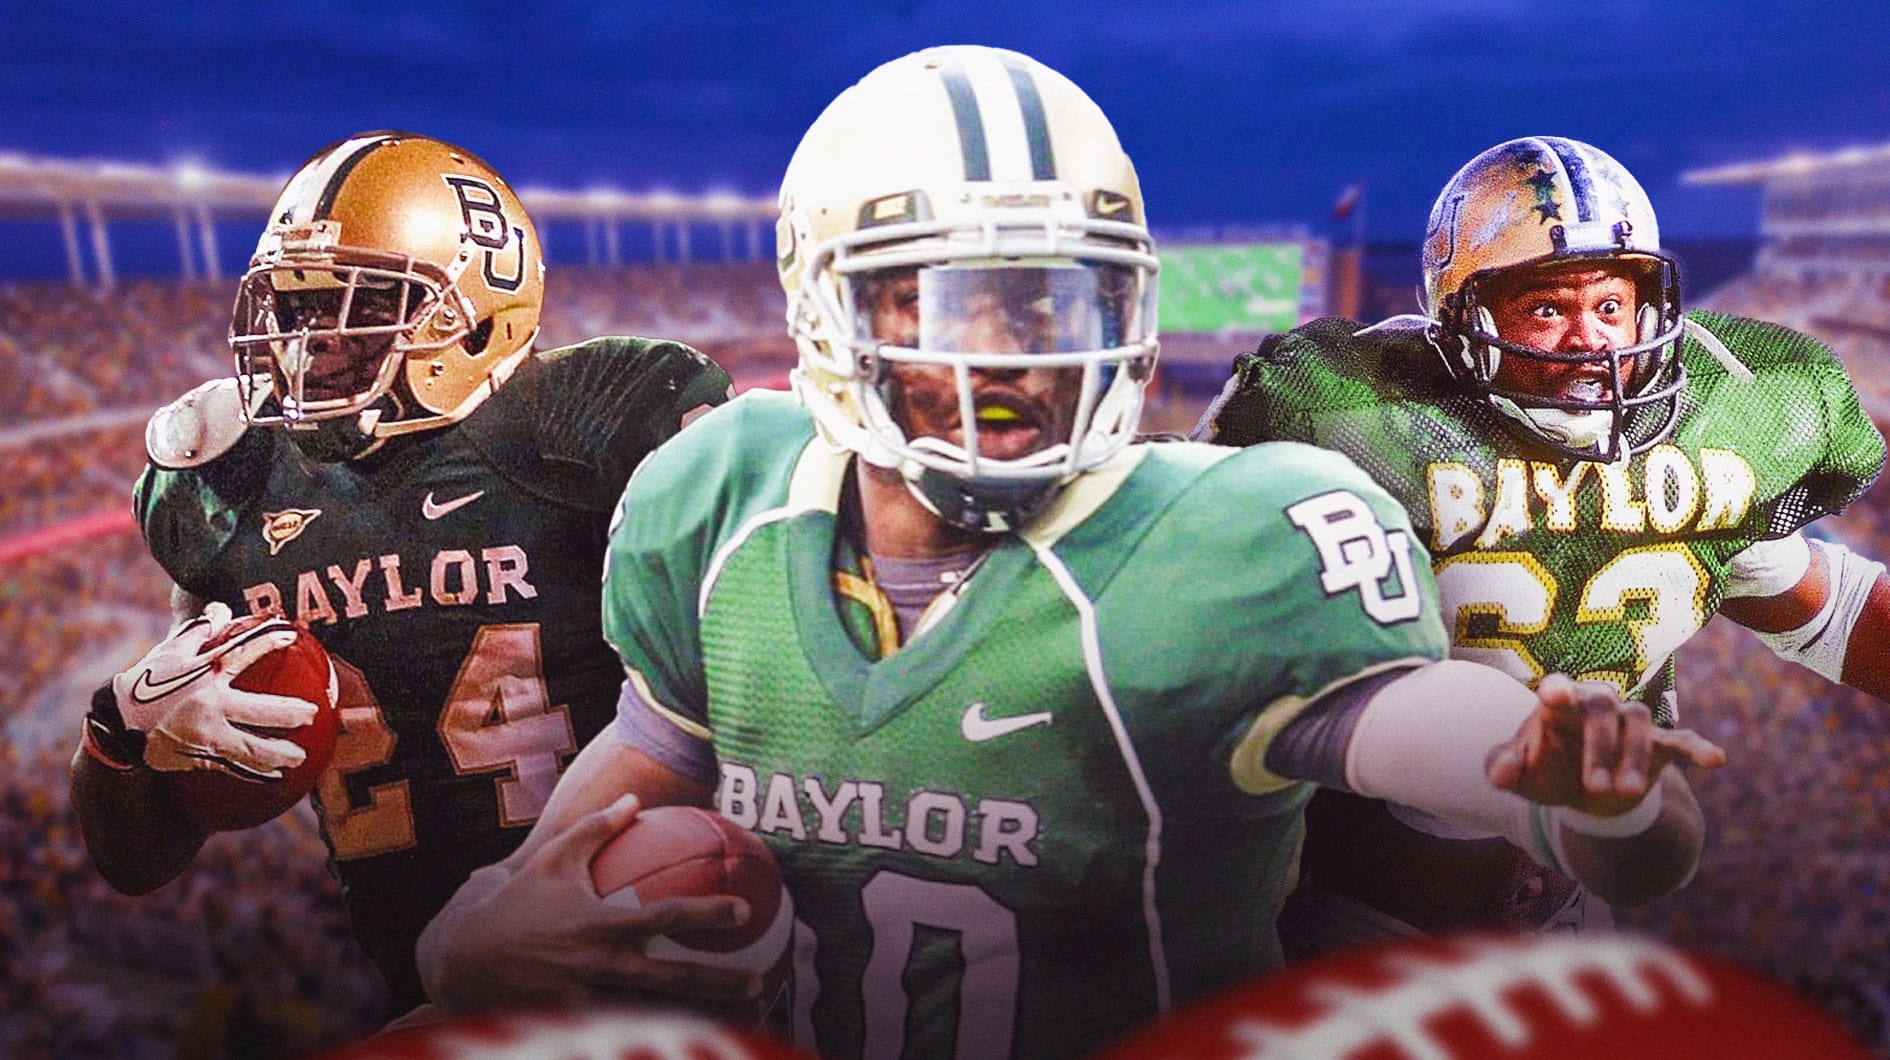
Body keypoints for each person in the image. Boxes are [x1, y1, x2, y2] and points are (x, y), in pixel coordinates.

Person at [415, 53, 1725, 1059]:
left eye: (1059, 295)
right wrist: (465, 936)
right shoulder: (723, 500)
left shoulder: (1231, 538)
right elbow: (630, 783)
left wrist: (1600, 801)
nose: (1018, 350)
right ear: (825, 310)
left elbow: (1493, 758)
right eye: (944, 298)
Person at [68, 130, 733, 1021]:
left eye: (362, 303)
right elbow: (136, 859)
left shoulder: (600, 423)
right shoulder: (225, 488)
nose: (313, 345)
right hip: (434, 998)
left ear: (472, 307)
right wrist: (121, 726)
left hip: (663, 948)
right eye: (297, 309)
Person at [1193, 135, 1888, 951]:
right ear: (1464, 316)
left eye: (1611, 305)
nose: (1593, 340)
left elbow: (1831, 608)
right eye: (1550, 308)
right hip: (1364, 931)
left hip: (1580, 917)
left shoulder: (1698, 441)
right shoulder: (1349, 422)